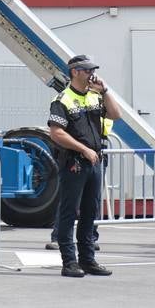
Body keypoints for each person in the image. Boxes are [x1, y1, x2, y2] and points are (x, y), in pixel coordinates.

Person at [48, 54, 120, 278]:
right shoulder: (62, 100)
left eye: (92, 71)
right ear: (75, 72)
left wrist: (105, 91)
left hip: (94, 161)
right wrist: (83, 149)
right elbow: (56, 133)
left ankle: (88, 260)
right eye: (87, 71)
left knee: (90, 212)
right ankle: (69, 262)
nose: (92, 74)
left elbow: (116, 114)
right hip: (75, 162)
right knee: (69, 213)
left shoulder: (94, 97)